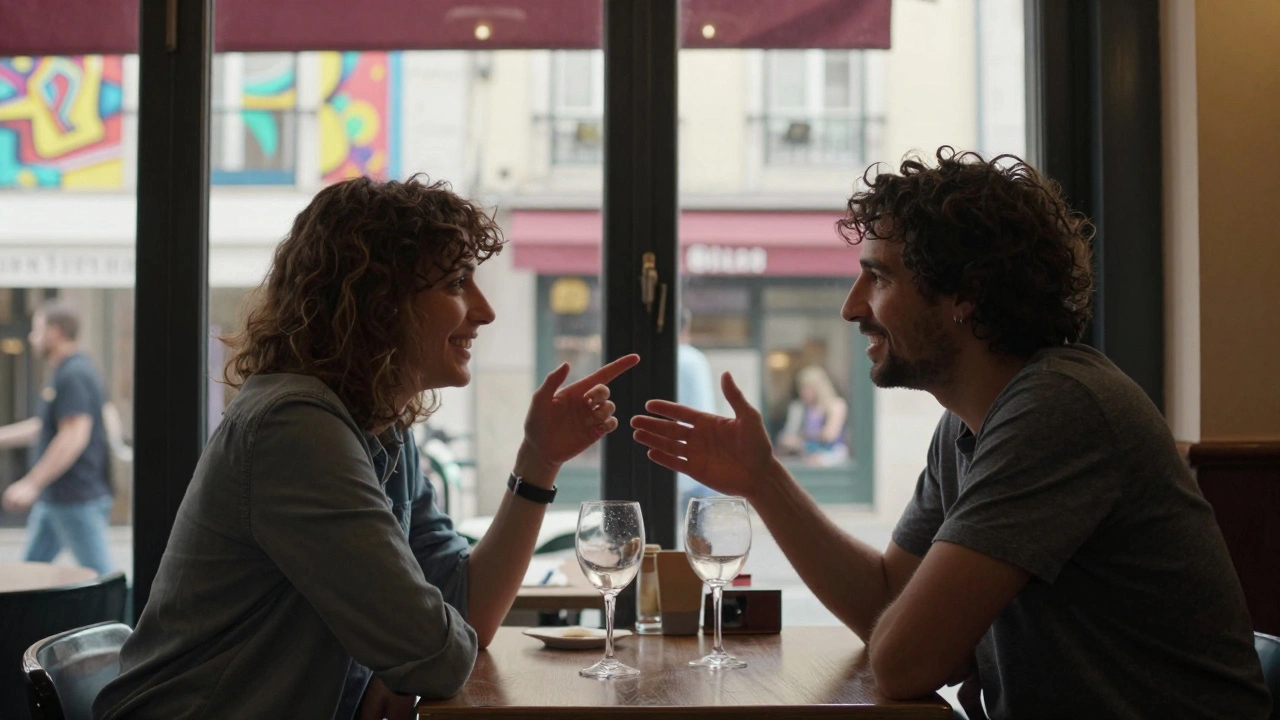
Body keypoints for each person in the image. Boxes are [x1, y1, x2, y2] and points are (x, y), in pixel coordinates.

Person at [632, 147, 1270, 718]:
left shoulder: (1060, 408)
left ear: (965, 295)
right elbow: (887, 599)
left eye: (879, 277)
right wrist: (762, 479)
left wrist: (944, 642)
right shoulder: (968, 425)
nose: (852, 306)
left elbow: (904, 661)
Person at [93, 176, 639, 720]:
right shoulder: (295, 428)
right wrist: (411, 654)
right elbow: (437, 656)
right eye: (456, 283)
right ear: (378, 301)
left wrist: (539, 460)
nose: (485, 310)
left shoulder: (378, 427)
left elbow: (465, 611)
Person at [0, 301, 113, 575]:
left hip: (75, 498)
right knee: (29, 572)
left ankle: (127, 617)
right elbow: (46, 427)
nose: (31, 337)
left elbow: (74, 435)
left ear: (57, 331)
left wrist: (31, 483)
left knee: (102, 577)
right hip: (58, 498)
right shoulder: (64, 372)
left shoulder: (74, 374)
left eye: (37, 329)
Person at [676, 307, 717, 510]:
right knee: (697, 532)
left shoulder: (671, 358)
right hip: (696, 452)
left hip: (672, 452)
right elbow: (704, 409)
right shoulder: (694, 359)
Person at [776, 364, 849, 466]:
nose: (802, 393)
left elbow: (830, 435)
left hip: (832, 455)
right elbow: (790, 434)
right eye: (801, 389)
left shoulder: (836, 405)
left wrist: (802, 437)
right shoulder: (801, 409)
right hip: (807, 454)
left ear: (817, 388)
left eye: (806, 389)